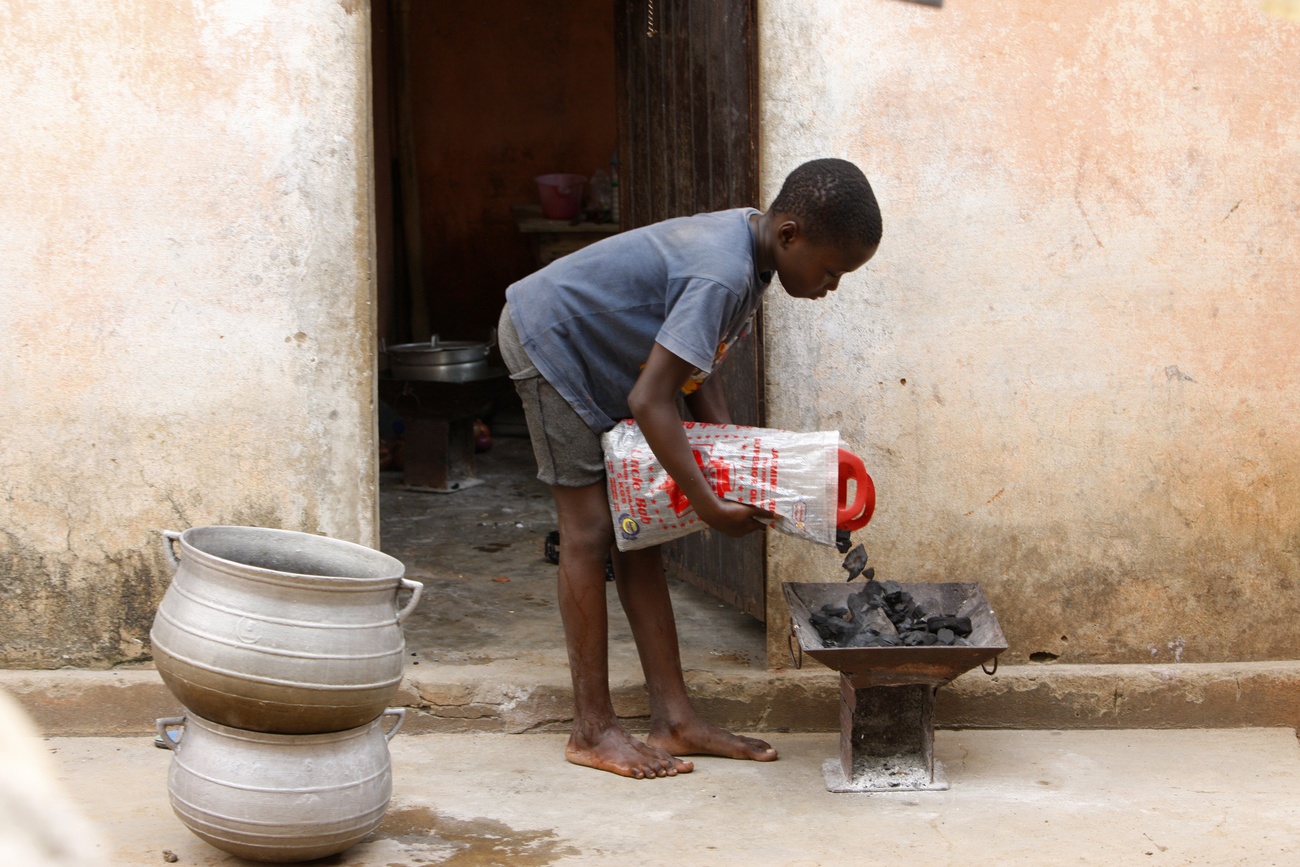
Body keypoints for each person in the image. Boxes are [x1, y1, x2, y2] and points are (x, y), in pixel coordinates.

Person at [497, 158, 882, 779]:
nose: (832, 285)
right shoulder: (724, 274)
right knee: (591, 530)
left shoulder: (751, 257)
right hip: (552, 339)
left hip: (607, 352)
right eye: (833, 270)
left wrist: (733, 467)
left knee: (638, 531)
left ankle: (674, 720)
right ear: (790, 236)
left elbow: (696, 375)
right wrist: (705, 500)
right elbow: (651, 398)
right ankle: (591, 729)